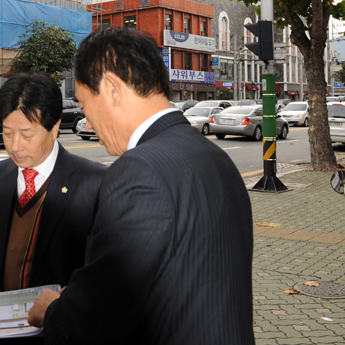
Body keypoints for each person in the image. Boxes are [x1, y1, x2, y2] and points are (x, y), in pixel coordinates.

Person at [27, 26, 254, 344]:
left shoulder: (138, 171)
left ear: (111, 89)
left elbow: (101, 320)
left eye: (84, 103)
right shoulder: (213, 155)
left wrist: (55, 310)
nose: (87, 121)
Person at [0, 73, 106, 297]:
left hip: (56, 325)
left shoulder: (95, 182)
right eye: (7, 133)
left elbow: (106, 270)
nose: (15, 146)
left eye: (27, 135)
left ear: (54, 127)